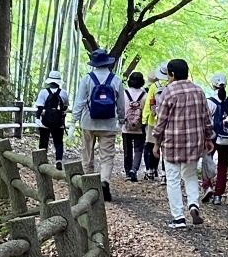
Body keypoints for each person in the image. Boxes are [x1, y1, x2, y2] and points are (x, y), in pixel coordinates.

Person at [153, 59, 214, 229]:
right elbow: (206, 118)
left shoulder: (168, 92)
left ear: (171, 74)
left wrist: (156, 142)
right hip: (195, 142)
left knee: (173, 179)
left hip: (172, 143)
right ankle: (193, 204)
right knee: (190, 175)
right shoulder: (199, 91)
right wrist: (209, 138)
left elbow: (161, 121)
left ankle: (178, 217)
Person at [71, 48, 125, 202]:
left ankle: (88, 185)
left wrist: (74, 121)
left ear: (94, 64)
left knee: (87, 153)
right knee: (107, 156)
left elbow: (80, 101)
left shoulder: (87, 79)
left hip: (88, 122)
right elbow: (120, 104)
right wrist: (121, 120)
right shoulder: (116, 80)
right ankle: (104, 182)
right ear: (107, 62)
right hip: (108, 124)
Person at [202, 73, 228, 206]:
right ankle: (218, 195)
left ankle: (207, 186)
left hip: (212, 137)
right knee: (223, 165)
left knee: (207, 160)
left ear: (213, 85)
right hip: (227, 138)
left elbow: (204, 121)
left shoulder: (209, 102)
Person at [35, 71, 69, 170]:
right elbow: (65, 107)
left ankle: (42, 160)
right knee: (58, 142)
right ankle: (58, 160)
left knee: (43, 141)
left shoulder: (43, 92)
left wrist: (37, 119)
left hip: (45, 122)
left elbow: (40, 108)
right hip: (59, 123)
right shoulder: (63, 93)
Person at [143, 62, 170, 182]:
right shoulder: (171, 86)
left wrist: (144, 119)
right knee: (165, 148)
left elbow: (149, 104)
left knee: (151, 146)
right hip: (168, 122)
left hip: (153, 121)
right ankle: (165, 174)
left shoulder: (154, 86)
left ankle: (150, 171)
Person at [122, 71, 146, 182]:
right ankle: (134, 170)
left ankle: (127, 172)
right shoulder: (144, 95)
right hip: (139, 127)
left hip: (126, 126)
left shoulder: (124, 93)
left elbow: (120, 109)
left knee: (127, 150)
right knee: (138, 149)